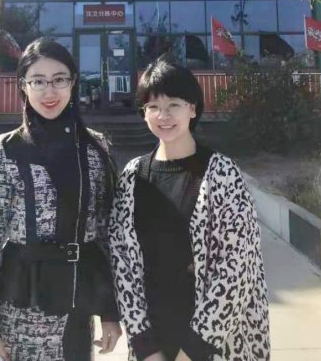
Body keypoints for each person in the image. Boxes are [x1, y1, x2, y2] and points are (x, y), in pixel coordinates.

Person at [0, 38, 122, 361]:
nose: (49, 92)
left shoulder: (95, 149)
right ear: (23, 86)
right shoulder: (7, 149)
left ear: (73, 83)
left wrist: (110, 310)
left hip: (77, 308)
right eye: (38, 81)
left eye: (59, 80)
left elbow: (105, 234)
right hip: (20, 311)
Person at [109, 55, 270, 361]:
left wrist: (194, 351)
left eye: (174, 104)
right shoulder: (132, 176)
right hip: (153, 339)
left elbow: (236, 269)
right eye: (153, 107)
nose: (163, 115)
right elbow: (122, 265)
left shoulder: (222, 173)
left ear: (192, 108)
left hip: (213, 343)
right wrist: (145, 346)